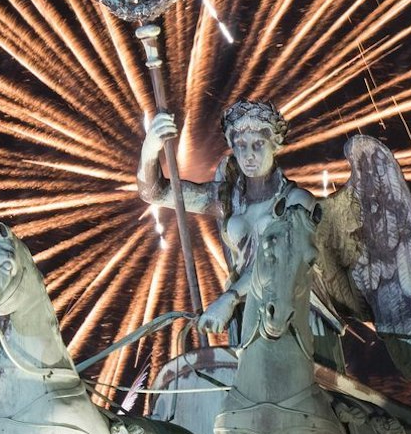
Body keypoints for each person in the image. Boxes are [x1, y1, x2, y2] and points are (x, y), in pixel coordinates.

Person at [136, 99, 325, 346]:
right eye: (241, 145)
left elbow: (280, 265)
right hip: (244, 315)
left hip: (293, 314)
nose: (248, 155)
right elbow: (156, 193)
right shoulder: (225, 199)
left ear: (275, 144)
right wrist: (150, 149)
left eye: (258, 144)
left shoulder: (296, 202)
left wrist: (230, 297)